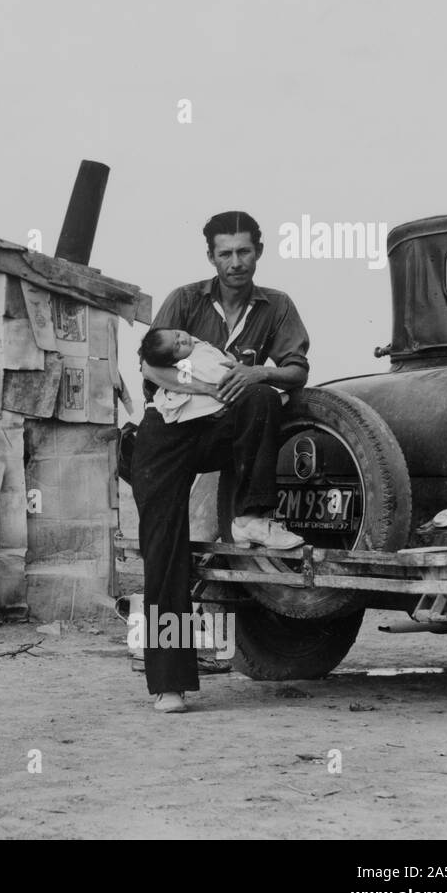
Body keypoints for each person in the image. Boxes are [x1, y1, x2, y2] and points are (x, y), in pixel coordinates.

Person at [132, 211, 310, 714]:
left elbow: (296, 369)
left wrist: (257, 373)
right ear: (211, 256)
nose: (236, 262)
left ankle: (253, 517)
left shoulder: (277, 307)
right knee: (165, 553)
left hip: (222, 431)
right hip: (165, 434)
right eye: (225, 253)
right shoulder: (185, 300)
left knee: (260, 394)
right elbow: (150, 365)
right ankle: (170, 683)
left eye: (244, 251)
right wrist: (207, 386)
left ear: (259, 251)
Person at [139, 327, 233, 425]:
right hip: (214, 408)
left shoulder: (193, 343)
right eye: (178, 347)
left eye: (178, 334)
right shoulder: (192, 364)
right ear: (173, 361)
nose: (183, 340)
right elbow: (222, 377)